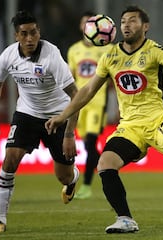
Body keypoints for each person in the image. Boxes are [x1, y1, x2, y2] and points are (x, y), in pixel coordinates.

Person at [45, 5, 163, 234]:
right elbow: (87, 91)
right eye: (123, 21)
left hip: (157, 119)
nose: (126, 25)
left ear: (145, 27)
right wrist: (63, 116)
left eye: (132, 20)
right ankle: (125, 219)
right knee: (105, 165)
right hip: (130, 126)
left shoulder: (153, 50)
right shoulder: (110, 56)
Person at [0, 10, 80, 233]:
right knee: (9, 161)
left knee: (63, 176)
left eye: (34, 33)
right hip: (26, 114)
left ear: (39, 32)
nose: (30, 39)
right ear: (16, 35)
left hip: (57, 115)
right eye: (24, 34)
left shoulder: (51, 55)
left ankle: (73, 178)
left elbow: (76, 95)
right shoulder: (8, 56)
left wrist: (68, 133)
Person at [67, 11, 113, 199]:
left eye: (92, 23)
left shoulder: (107, 49)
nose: (89, 26)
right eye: (85, 23)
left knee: (90, 143)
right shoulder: (73, 50)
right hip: (79, 105)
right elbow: (70, 79)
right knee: (88, 148)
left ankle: (86, 185)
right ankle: (107, 163)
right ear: (81, 27)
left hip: (97, 104)